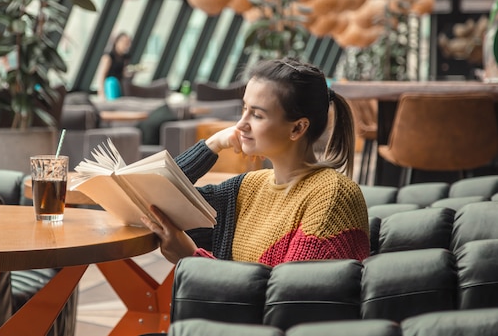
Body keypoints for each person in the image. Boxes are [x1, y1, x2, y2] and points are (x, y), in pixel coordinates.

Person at [141, 57, 370, 267]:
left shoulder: (332, 196)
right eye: (244, 108)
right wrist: (211, 145)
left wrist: (192, 259)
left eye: (257, 115)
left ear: (297, 128)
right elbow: (149, 198)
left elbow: (288, 301)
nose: (241, 124)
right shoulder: (247, 188)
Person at [96, 32, 132, 100]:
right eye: (124, 42)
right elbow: (102, 75)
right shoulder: (108, 56)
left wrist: (131, 73)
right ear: (117, 41)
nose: (126, 45)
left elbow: (124, 73)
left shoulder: (126, 57)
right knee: (112, 82)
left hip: (120, 83)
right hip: (110, 84)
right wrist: (101, 93)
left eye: (128, 43)